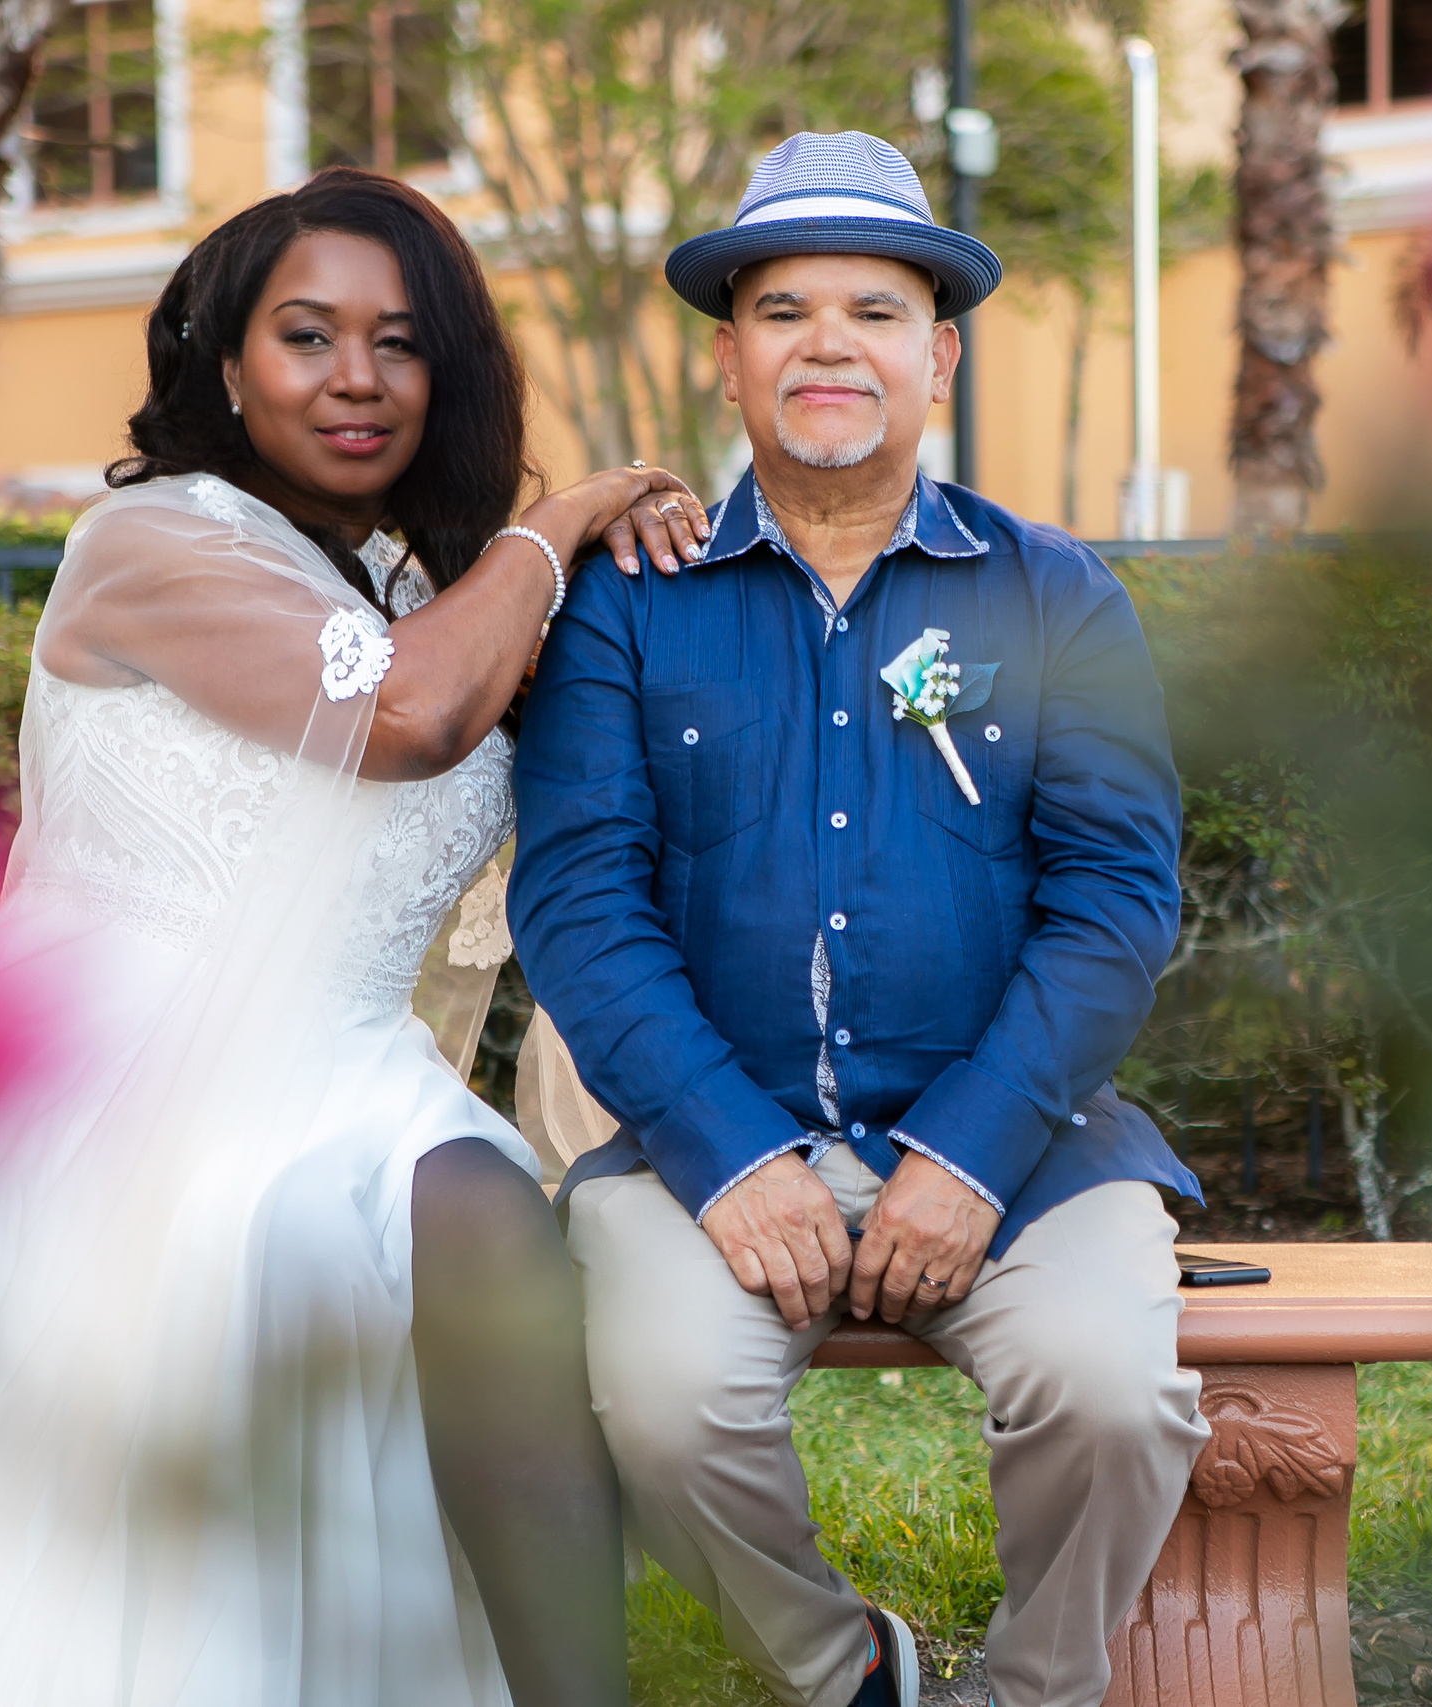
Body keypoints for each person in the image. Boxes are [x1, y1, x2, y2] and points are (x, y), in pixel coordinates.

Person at [0, 168, 712, 1707]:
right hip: (99, 1066)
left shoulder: (439, 586)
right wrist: (566, 516)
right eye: (307, 336)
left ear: (452, 371)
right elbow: (412, 715)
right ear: (227, 364)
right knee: (278, 1242)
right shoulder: (155, 543)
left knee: (483, 1216)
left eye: (399, 342)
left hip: (345, 1060)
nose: (357, 378)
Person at [509, 131, 1213, 1707]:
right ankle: (852, 1682)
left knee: (1111, 1394)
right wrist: (726, 1148)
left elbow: (1116, 897)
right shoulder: (629, 601)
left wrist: (966, 1155)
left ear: (939, 354)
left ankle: (1033, 1695)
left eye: (876, 310)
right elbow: (578, 896)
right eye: (785, 310)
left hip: (1016, 1142)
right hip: (713, 1144)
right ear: (732, 354)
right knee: (668, 1404)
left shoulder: (1058, 599)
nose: (830, 342)